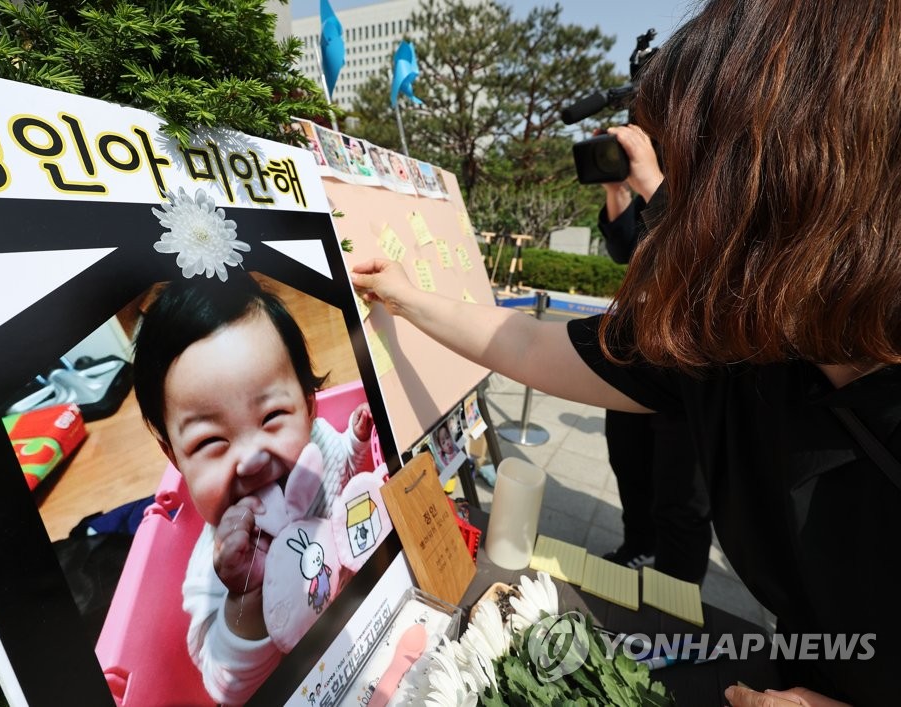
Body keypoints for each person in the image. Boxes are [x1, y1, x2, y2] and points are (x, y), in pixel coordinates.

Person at [351, 1, 901, 703]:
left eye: (692, 165)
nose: (672, 203)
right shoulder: (734, 343)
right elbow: (522, 338)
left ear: (811, 179)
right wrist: (403, 294)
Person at [132, 274, 374, 705]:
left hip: (370, 629)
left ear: (310, 404)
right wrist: (246, 597)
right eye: (210, 442)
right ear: (174, 458)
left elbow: (350, 486)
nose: (252, 459)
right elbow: (227, 690)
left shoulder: (321, 450)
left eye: (272, 415)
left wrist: (356, 445)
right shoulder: (214, 572)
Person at [597, 124, 712, 583]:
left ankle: (676, 599)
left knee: (681, 493)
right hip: (635, 345)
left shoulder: (709, 171)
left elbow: (703, 250)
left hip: (691, 354)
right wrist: (617, 189)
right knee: (627, 458)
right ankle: (637, 546)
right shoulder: (653, 183)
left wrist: (653, 183)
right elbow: (623, 248)